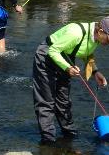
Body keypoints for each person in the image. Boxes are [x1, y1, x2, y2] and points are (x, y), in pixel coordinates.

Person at [33, 17, 109, 145]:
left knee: (63, 100)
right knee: (47, 101)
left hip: (66, 57)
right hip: (47, 56)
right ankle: (48, 141)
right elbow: (53, 50)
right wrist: (68, 68)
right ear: (100, 30)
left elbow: (87, 53)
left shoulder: (96, 38)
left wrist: (95, 72)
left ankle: (69, 134)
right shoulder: (75, 32)